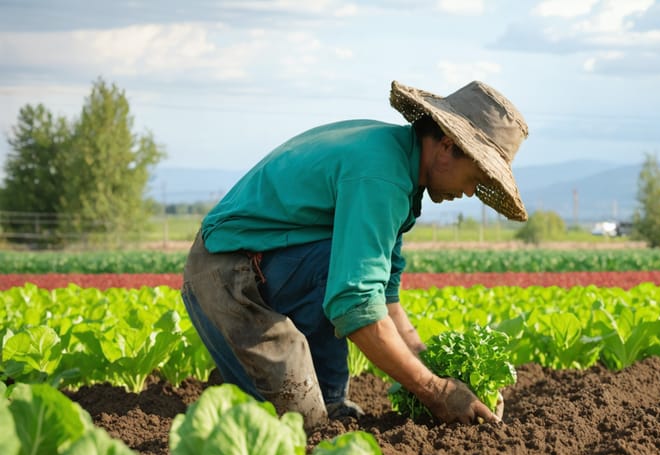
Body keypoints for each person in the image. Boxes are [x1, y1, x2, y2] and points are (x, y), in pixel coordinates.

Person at [181, 80, 529, 431]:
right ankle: (245, 388)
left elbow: (386, 302)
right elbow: (357, 302)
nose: (471, 192)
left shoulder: (396, 165)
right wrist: (435, 391)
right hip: (229, 277)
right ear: (446, 146)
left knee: (329, 414)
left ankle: (318, 399)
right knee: (301, 430)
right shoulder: (381, 174)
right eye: (475, 178)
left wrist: (434, 369)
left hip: (267, 267)